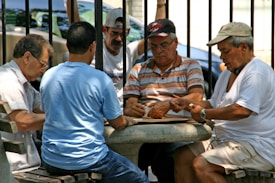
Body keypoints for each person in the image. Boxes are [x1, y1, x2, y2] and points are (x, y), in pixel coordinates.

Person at [39, 21, 149, 183]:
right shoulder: (100, 79)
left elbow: (48, 110)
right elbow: (118, 123)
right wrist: (128, 121)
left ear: (68, 46)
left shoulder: (48, 76)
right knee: (141, 179)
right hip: (89, 159)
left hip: (51, 160)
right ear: (93, 47)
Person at [170, 22, 275, 183]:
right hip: (225, 140)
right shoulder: (228, 72)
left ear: (244, 47)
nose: (221, 57)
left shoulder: (256, 72)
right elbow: (214, 103)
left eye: (225, 51)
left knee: (201, 165)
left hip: (256, 145)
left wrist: (204, 114)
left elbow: (241, 110)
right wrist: (186, 103)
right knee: (181, 157)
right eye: (220, 51)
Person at [123, 18, 205, 183]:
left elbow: (197, 97)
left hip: (180, 134)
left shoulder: (190, 65)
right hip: (145, 135)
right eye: (154, 46)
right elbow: (129, 104)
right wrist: (132, 109)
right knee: (126, 161)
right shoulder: (139, 69)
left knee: (166, 156)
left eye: (164, 45)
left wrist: (168, 104)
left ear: (176, 42)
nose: (159, 50)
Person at [66, 0, 166, 108]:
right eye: (114, 33)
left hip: (120, 112)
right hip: (96, 109)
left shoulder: (129, 51)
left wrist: (160, 4)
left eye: (123, 34)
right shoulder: (94, 49)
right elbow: (76, 25)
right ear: (105, 30)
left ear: (128, 32)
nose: (118, 39)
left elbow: (155, 36)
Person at [0, 34, 53, 173]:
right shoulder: (8, 81)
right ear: (27, 57)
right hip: (17, 165)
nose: (44, 70)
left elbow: (42, 107)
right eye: (42, 64)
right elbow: (23, 121)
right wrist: (58, 117)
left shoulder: (24, 83)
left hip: (23, 161)